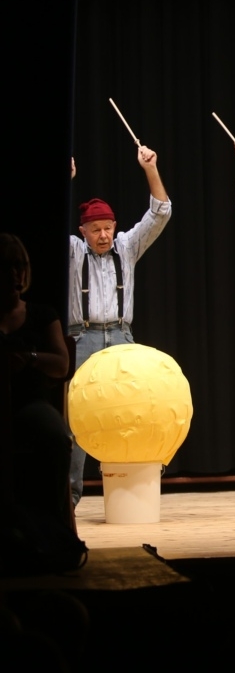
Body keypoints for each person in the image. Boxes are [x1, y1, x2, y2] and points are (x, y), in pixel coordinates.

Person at [67, 147, 171, 504]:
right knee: (77, 417)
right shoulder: (73, 251)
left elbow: (161, 212)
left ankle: (128, 492)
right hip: (82, 337)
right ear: (83, 231)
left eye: (108, 228)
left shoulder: (126, 246)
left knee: (130, 412)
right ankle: (70, 497)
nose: (103, 235)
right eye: (96, 230)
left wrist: (150, 169)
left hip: (121, 337)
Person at [0, 234, 87, 574]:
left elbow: (61, 364)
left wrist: (29, 358)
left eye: (20, 266)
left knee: (53, 436)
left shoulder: (41, 314)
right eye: (7, 267)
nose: (15, 274)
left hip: (28, 404)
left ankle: (51, 532)